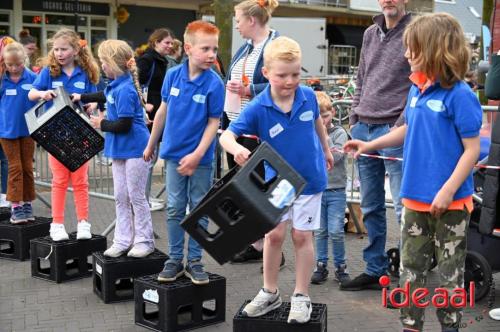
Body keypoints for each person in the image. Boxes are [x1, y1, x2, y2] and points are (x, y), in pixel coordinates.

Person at [344, 13, 482, 332]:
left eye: (412, 48)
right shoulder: (416, 89)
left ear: (434, 49)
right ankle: (411, 326)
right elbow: (406, 128)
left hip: (452, 206)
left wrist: (447, 191)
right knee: (411, 272)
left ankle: (450, 327)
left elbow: (472, 150)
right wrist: (368, 144)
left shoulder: (460, 95)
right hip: (414, 200)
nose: (406, 54)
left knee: (449, 275)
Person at [220, 36, 334, 324]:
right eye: (283, 75)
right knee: (274, 235)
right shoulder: (258, 107)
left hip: (310, 180)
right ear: (266, 72)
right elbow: (226, 135)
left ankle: (301, 295)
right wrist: (237, 149)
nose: (290, 80)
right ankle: (269, 292)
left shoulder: (307, 95)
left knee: (301, 235)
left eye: (296, 73)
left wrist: (326, 148)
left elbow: (317, 121)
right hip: (278, 182)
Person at [143, 21, 224, 285]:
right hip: (174, 156)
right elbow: (163, 111)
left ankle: (195, 261)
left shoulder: (215, 82)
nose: (212, 54)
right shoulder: (172, 74)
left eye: (215, 49)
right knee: (175, 209)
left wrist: (199, 154)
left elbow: (214, 122)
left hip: (201, 160)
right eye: (206, 49)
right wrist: (151, 143)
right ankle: (175, 259)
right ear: (188, 48)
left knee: (198, 209)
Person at [340, 0, 412, 291]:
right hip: (363, 128)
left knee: (404, 208)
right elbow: (361, 77)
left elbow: (419, 82)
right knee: (370, 205)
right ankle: (375, 269)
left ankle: (411, 272)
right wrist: (354, 115)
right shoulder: (370, 32)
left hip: (393, 130)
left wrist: (399, 125)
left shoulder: (415, 31)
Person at [73, 40, 154, 258]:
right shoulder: (116, 83)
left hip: (136, 148)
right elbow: (104, 95)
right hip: (119, 148)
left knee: (136, 197)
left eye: (104, 62)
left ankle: (144, 241)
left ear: (114, 63)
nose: (102, 66)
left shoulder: (126, 89)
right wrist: (82, 97)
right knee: (120, 196)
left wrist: (101, 124)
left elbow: (124, 124)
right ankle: (122, 240)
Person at [28, 28, 100, 241]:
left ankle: (83, 222)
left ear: (76, 50)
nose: (59, 53)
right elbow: (31, 93)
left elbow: (93, 97)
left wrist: (91, 105)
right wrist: (43, 93)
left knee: (80, 180)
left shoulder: (86, 72)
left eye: (63, 49)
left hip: (80, 134)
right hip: (55, 134)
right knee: (59, 180)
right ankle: (57, 224)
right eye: (56, 49)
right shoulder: (48, 72)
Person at [225, 0, 281, 265]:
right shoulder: (246, 48)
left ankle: (271, 247)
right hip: (237, 126)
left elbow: (282, 82)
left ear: (251, 20)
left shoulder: (275, 46)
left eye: (237, 20)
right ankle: (257, 243)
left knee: (261, 188)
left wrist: (250, 91)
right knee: (243, 189)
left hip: (260, 130)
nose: (236, 25)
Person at [310, 91, 350, 285]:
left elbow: (338, 157)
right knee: (319, 231)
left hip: (336, 190)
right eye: (319, 118)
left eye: (325, 116)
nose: (323, 121)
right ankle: (321, 264)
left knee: (336, 231)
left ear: (332, 112)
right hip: (319, 190)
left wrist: (325, 136)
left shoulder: (340, 133)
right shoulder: (310, 132)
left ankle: (341, 266)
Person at [137, 28, 176, 209]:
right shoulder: (147, 59)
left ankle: (145, 196)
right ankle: (142, 198)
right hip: (150, 112)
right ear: (156, 42)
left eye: (171, 42)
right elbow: (135, 81)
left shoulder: (164, 61)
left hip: (158, 110)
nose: (170, 45)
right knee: (148, 156)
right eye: (166, 42)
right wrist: (143, 103)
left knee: (151, 157)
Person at [0, 41, 37, 223]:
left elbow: (41, 96)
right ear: (4, 62)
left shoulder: (32, 78)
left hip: (29, 130)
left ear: (25, 59)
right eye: (10, 64)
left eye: (18, 64)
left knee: (27, 167)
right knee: (15, 168)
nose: (14, 68)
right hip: (6, 132)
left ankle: (27, 203)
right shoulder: (1, 79)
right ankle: (15, 206)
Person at [0, 36, 15, 209]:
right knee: (5, 160)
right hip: (5, 123)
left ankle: (5, 195)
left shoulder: (10, 73)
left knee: (6, 160)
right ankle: (5, 195)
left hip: (7, 124)